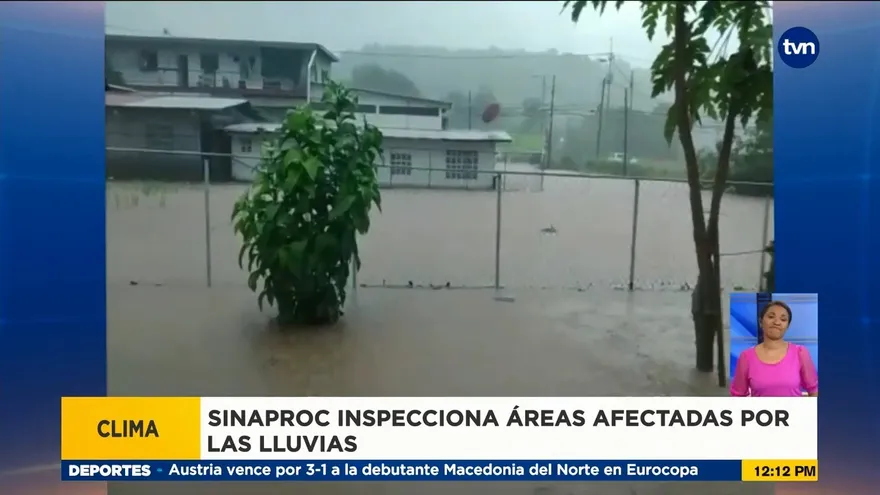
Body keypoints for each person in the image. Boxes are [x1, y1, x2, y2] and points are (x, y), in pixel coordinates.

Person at [730, 300, 818, 397]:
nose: (777, 322)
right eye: (771, 317)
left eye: (783, 319)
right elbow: (738, 396)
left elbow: (814, 391)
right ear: (760, 322)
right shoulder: (746, 357)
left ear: (787, 326)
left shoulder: (800, 353)